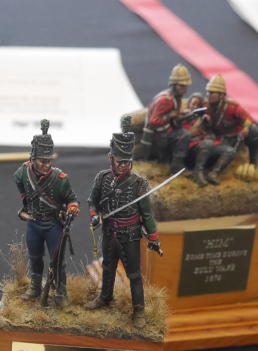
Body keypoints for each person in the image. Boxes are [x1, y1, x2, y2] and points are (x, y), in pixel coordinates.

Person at [85, 117, 161, 329]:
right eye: (119, 160)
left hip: (130, 236)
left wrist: (153, 238)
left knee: (134, 274)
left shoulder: (139, 184)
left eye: (126, 161)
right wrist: (94, 214)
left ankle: (139, 309)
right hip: (109, 233)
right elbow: (93, 201)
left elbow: (147, 215)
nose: (122, 165)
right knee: (107, 268)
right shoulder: (102, 179)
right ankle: (105, 297)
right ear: (111, 158)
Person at [13, 120, 80, 312]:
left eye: (49, 161)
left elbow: (72, 199)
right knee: (34, 257)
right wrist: (26, 202)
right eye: (42, 161)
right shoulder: (23, 173)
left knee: (58, 262)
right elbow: (19, 184)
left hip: (53, 225)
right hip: (33, 224)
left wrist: (73, 207)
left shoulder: (60, 179)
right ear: (33, 159)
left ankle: (61, 293)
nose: (46, 164)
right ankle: (35, 286)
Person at [198, 74, 258, 185]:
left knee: (254, 129)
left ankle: (254, 158)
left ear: (221, 95)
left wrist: (246, 128)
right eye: (208, 92)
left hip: (236, 135)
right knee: (224, 154)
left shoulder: (232, 107)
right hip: (220, 138)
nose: (208, 95)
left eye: (212, 93)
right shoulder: (205, 106)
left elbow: (247, 117)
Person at [143, 64, 193, 173]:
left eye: (186, 86)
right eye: (182, 86)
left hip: (165, 128)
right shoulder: (165, 100)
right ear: (173, 85)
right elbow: (153, 122)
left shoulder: (176, 97)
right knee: (185, 135)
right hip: (158, 133)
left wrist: (182, 115)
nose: (185, 89)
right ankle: (177, 166)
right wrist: (168, 116)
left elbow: (173, 116)